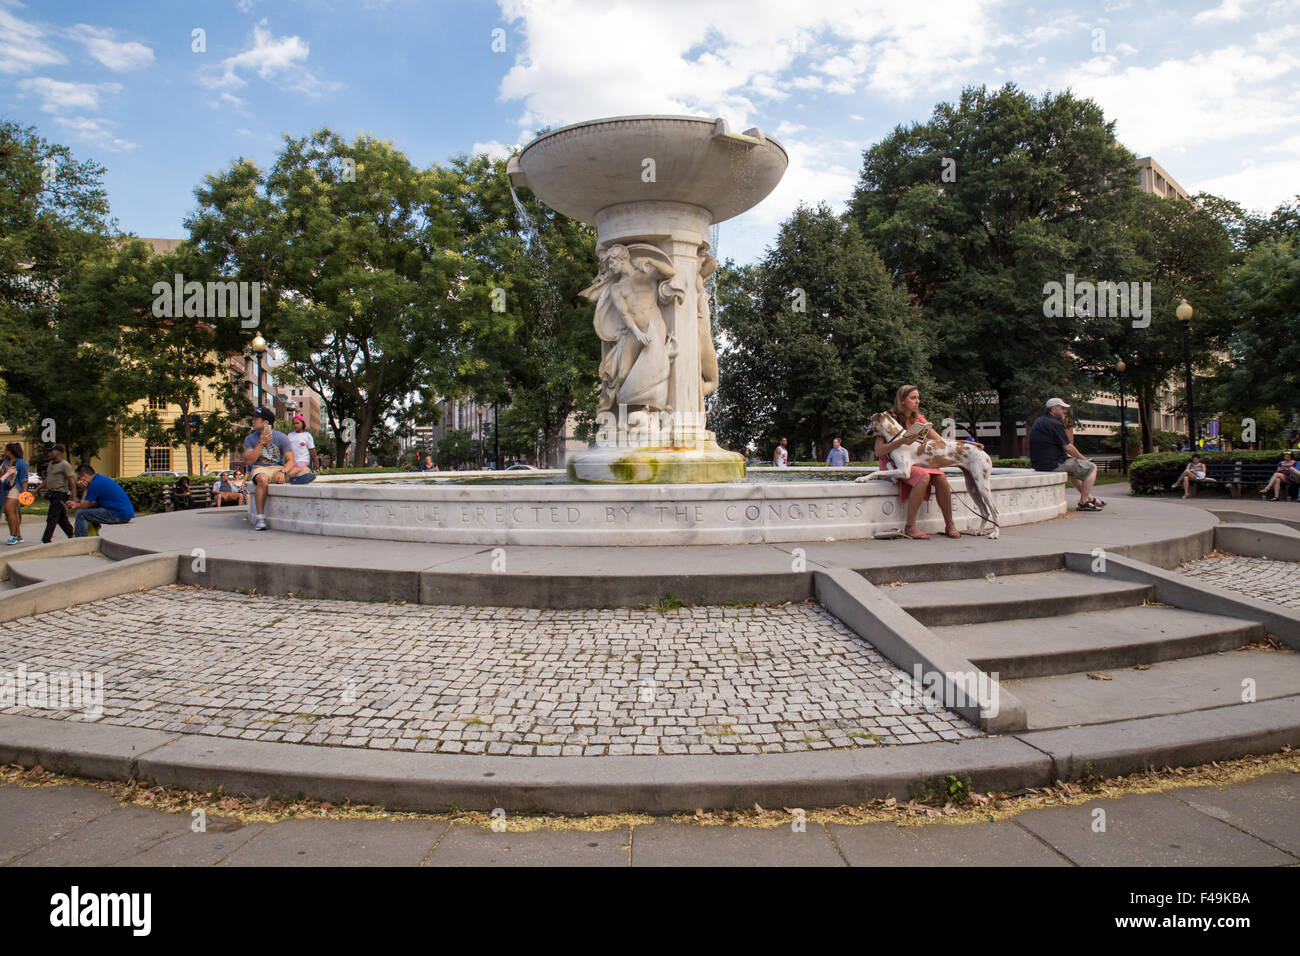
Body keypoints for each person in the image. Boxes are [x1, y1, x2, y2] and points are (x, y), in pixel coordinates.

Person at [874, 385, 961, 540]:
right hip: (895, 464)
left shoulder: (918, 420)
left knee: (941, 478)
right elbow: (879, 451)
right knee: (924, 477)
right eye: (913, 398)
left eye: (918, 397)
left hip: (916, 462)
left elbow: (940, 441)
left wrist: (967, 444)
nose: (917, 401)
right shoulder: (887, 419)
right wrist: (902, 441)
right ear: (902, 400)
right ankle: (910, 527)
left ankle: (950, 524)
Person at [1029, 398, 1103, 511]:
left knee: (1073, 467)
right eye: (1062, 408)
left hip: (1040, 464)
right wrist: (1085, 460)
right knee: (1092, 468)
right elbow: (1068, 447)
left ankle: (1089, 498)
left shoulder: (1040, 421)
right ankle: (1084, 502)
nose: (1065, 411)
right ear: (1053, 409)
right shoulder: (1054, 424)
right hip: (1053, 464)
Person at [242, 406, 296, 531]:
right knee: (262, 478)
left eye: (256, 418)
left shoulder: (281, 437)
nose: (253, 421)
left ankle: (288, 478)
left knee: (303, 471)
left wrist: (283, 471)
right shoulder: (250, 438)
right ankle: (260, 518)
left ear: (266, 423)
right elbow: (249, 460)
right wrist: (260, 443)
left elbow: (291, 460)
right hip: (261, 467)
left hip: (278, 468)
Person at [68, 464, 134, 537]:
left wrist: (85, 489)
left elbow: (84, 507)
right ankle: (94, 536)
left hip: (119, 515)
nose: (79, 482)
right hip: (124, 514)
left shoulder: (95, 484)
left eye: (79, 478)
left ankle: (80, 541)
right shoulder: (100, 479)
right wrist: (76, 504)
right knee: (89, 511)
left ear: (84, 476)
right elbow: (93, 504)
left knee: (81, 514)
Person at [40, 444, 78, 542]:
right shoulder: (51, 464)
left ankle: (46, 539)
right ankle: (73, 535)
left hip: (60, 494)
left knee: (52, 517)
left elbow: (71, 481)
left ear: (59, 452)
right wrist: (36, 490)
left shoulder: (65, 465)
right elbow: (47, 479)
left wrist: (74, 498)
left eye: (53, 451)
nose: (51, 453)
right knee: (61, 518)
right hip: (52, 494)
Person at [1, 442, 29, 545]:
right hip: (6, 488)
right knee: (14, 512)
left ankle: (13, 535)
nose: (4, 452)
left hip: (15, 488)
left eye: (6, 450)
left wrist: (24, 493)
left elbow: (24, 479)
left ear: (10, 451)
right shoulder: (6, 461)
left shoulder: (21, 463)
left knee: (9, 510)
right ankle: (18, 535)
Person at [285, 415, 317, 482]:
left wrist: (316, 462)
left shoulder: (307, 435)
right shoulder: (290, 435)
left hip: (303, 460)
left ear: (302, 424)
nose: (295, 425)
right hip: (291, 461)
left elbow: (312, 450)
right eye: (293, 424)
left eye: (297, 423)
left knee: (301, 470)